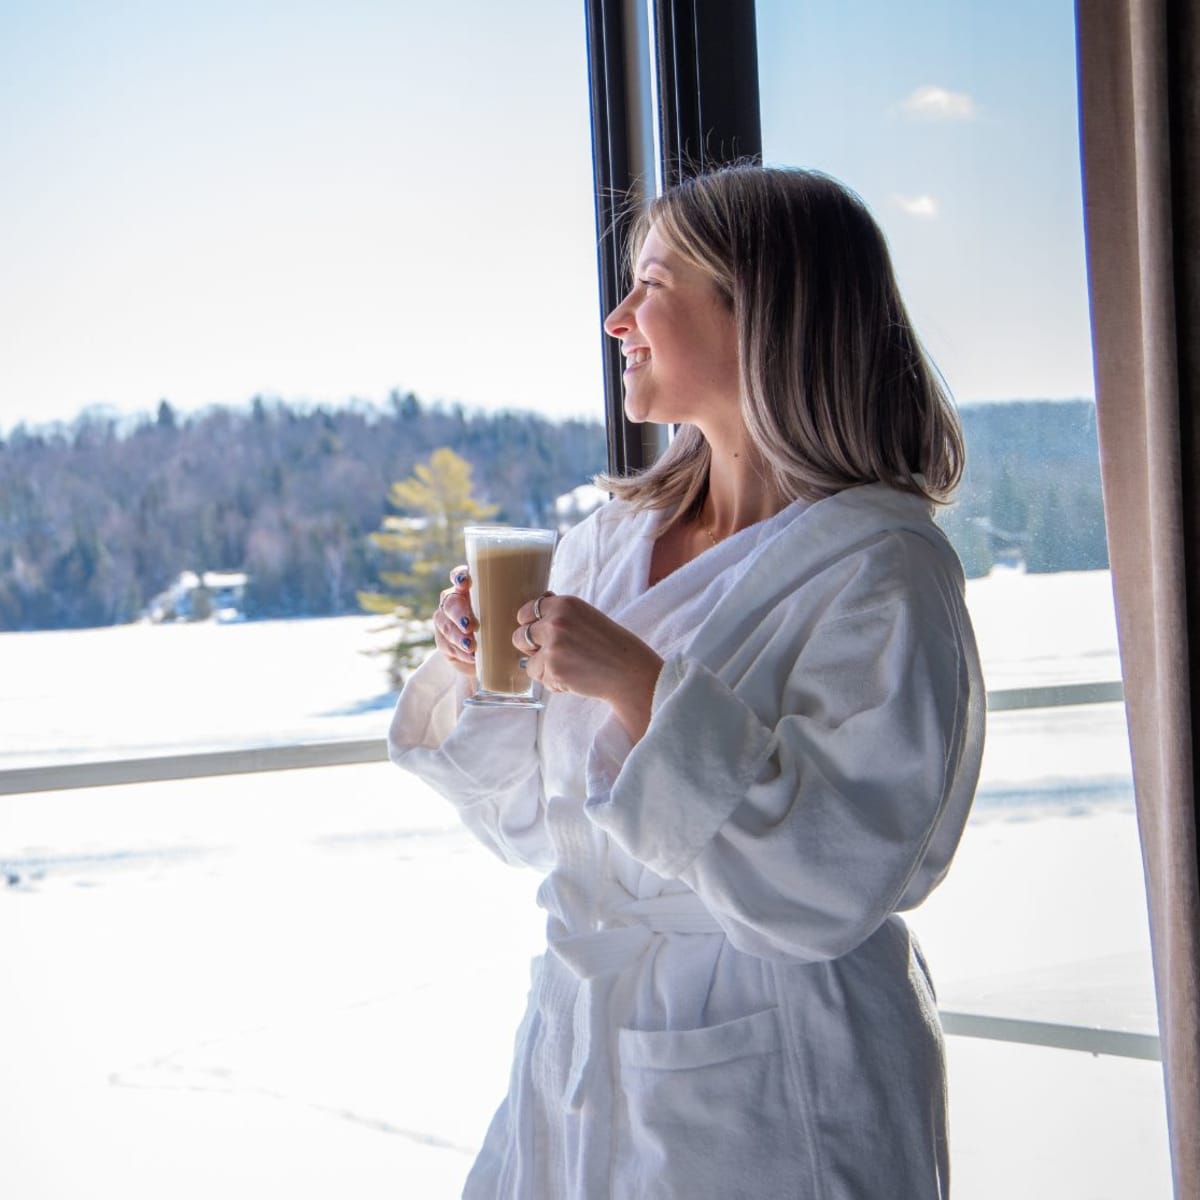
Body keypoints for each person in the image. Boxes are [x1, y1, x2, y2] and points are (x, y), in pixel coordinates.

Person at [388, 164, 985, 1199]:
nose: (617, 318)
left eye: (653, 284)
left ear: (764, 314)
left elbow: (832, 879)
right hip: (580, 1049)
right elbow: (535, 832)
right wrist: (483, 670)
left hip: (781, 1073)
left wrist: (640, 685)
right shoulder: (606, 544)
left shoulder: (881, 571)